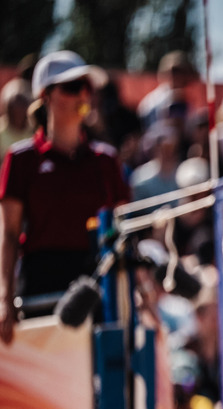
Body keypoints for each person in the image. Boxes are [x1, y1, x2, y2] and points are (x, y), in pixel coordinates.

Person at [0, 50, 130, 345]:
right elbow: (8, 234)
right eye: (72, 87)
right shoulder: (21, 160)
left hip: (99, 288)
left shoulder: (106, 161)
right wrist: (5, 298)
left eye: (87, 87)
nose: (83, 95)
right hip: (40, 286)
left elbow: (122, 232)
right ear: (45, 96)